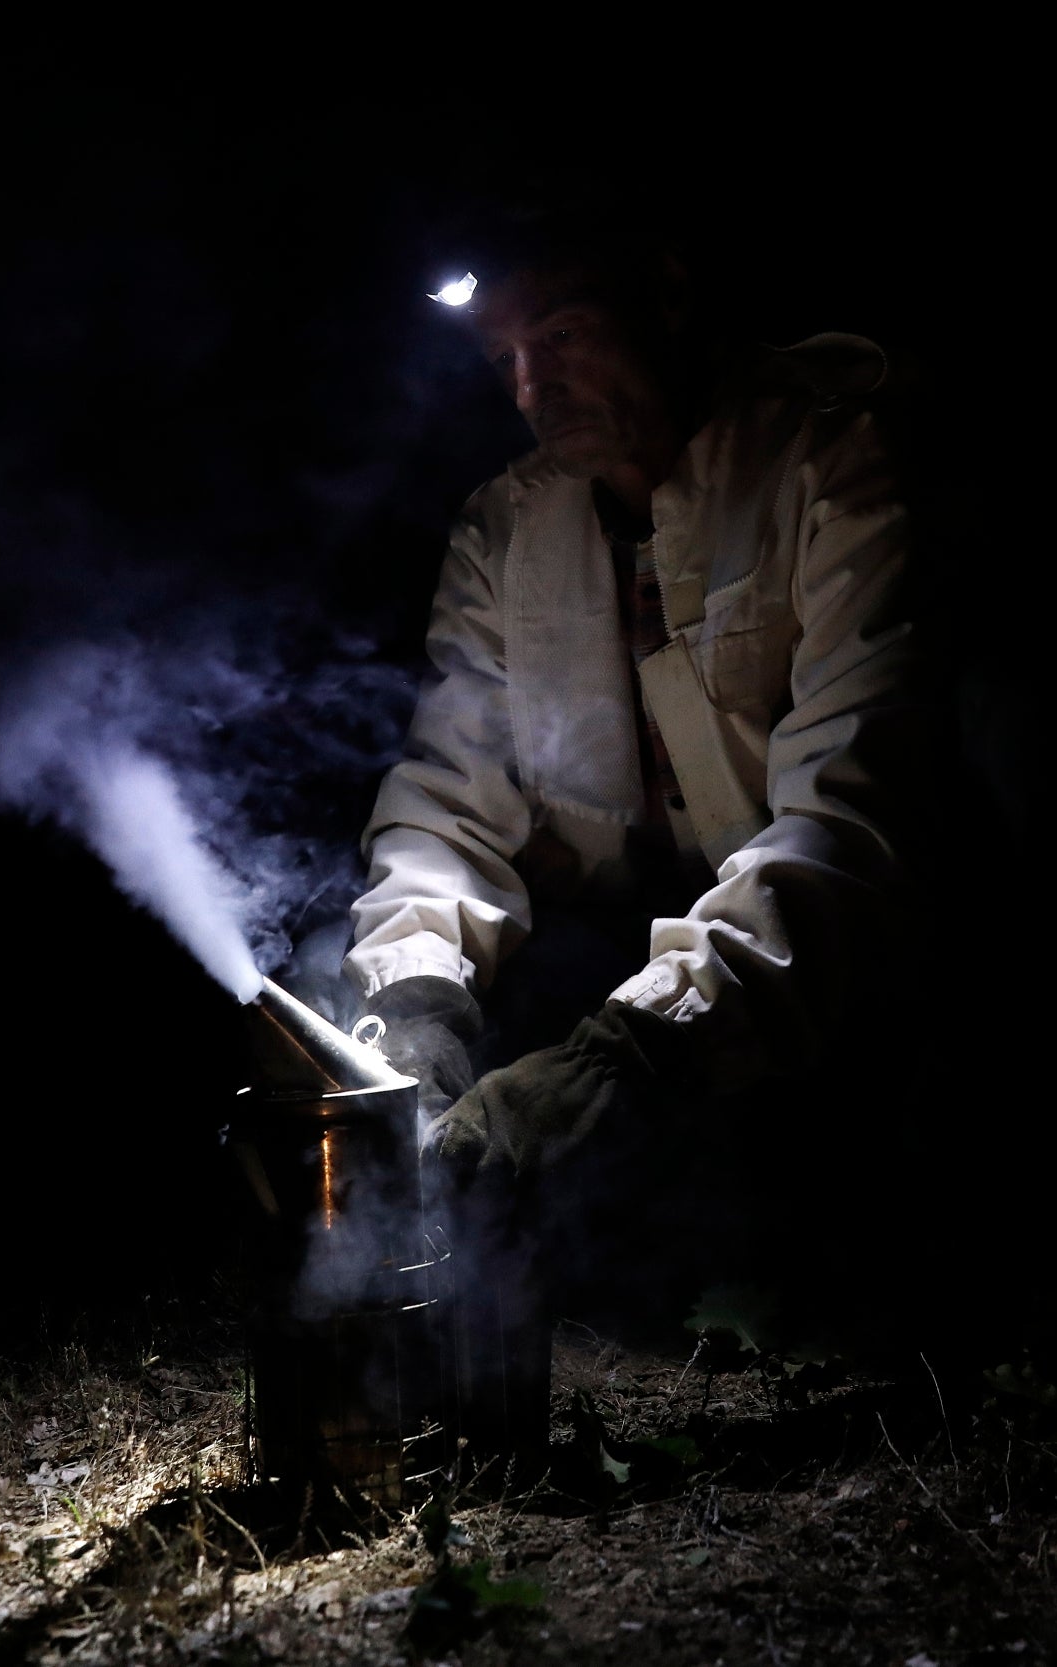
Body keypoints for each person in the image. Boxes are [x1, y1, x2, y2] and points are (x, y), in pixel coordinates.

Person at [344, 205, 926, 1339]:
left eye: (559, 335)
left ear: (662, 293)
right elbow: (450, 801)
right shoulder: (508, 529)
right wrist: (417, 991)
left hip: (845, 974)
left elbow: (853, 821)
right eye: (502, 357)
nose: (528, 385)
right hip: (644, 965)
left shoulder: (834, 457)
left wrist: (633, 1050)